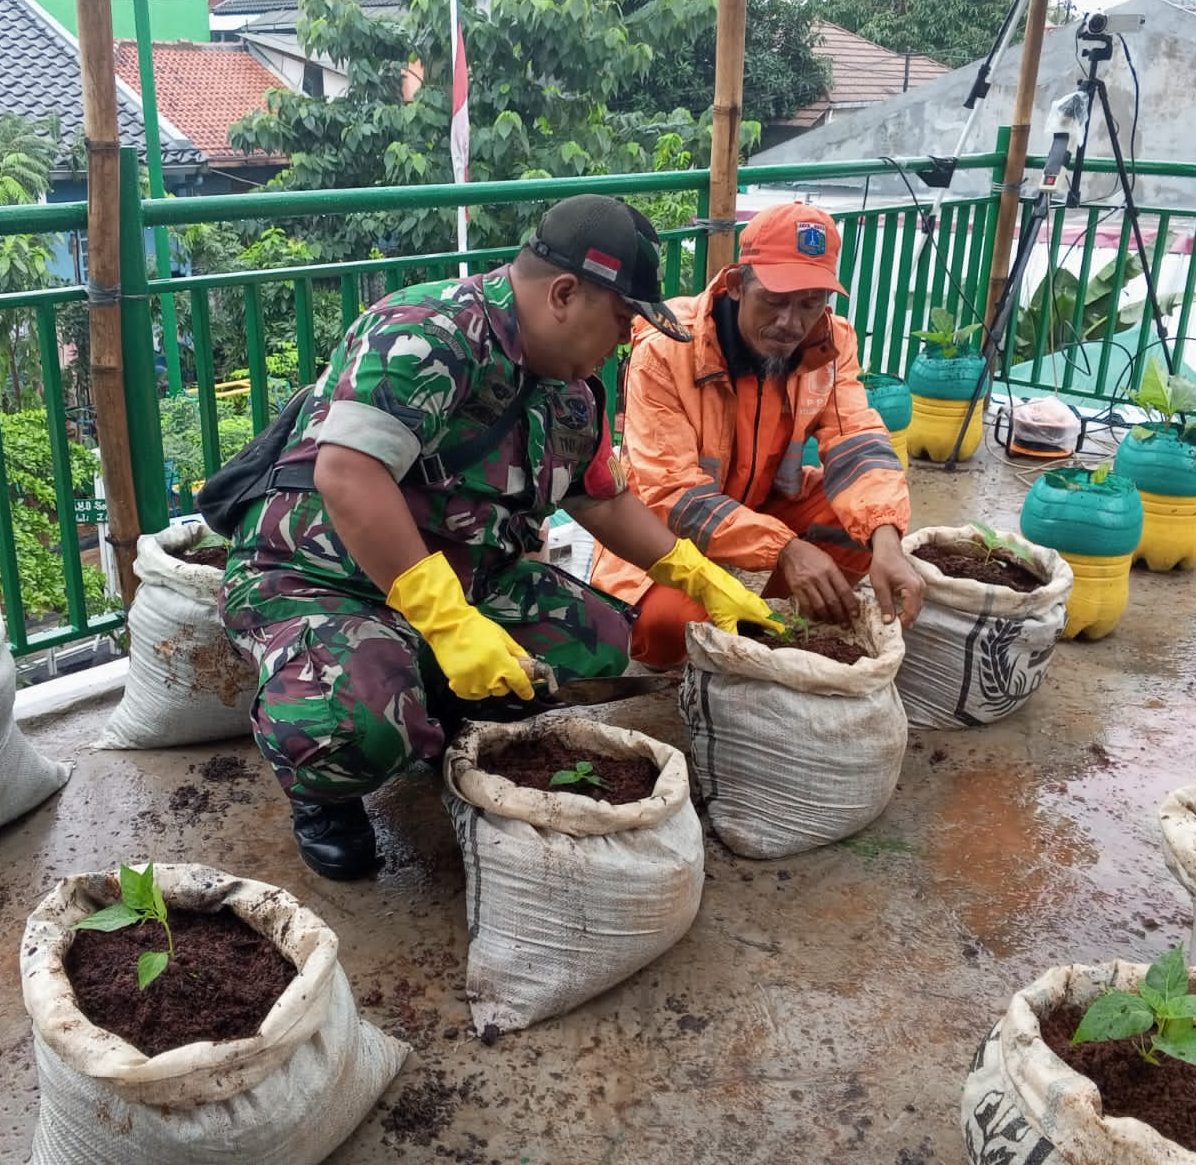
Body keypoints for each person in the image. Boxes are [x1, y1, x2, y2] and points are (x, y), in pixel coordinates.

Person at [220, 194, 781, 881]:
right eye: (622, 318)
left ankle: (436, 707)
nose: (625, 340)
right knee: (350, 726)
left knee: (599, 648)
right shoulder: (427, 332)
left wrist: (696, 573)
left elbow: (603, 503)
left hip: (465, 579)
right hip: (321, 581)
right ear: (566, 294)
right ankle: (324, 791)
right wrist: (450, 623)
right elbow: (347, 474)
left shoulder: (569, 390)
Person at [589, 201, 926, 669]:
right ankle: (751, 628)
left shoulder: (831, 342)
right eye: (774, 300)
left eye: (811, 303)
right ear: (735, 286)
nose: (791, 323)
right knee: (666, 632)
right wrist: (784, 549)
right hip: (665, 528)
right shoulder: (668, 348)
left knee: (861, 530)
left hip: (762, 500)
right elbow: (672, 494)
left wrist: (888, 543)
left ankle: (781, 630)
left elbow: (858, 441)